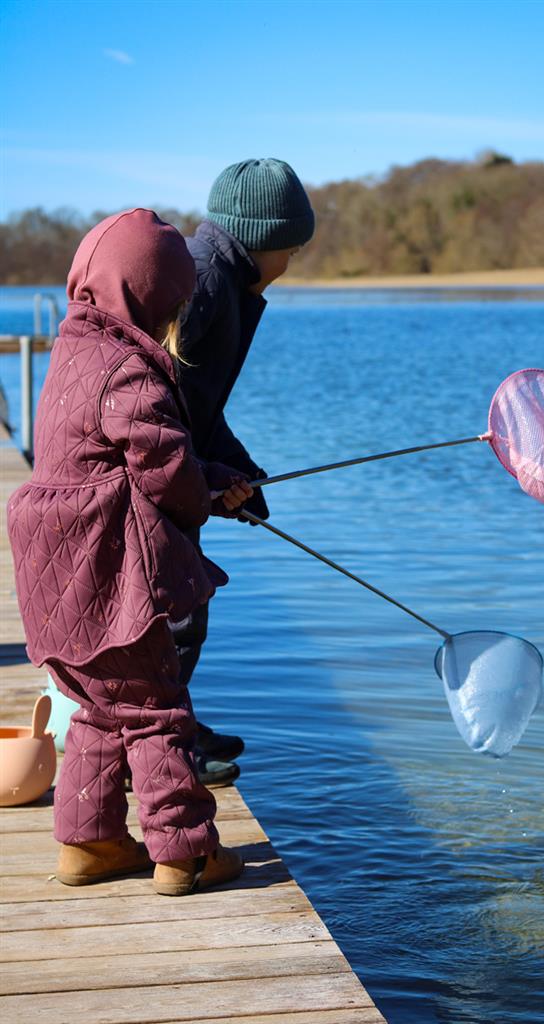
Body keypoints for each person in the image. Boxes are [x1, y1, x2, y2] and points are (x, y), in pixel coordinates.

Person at [7, 209, 254, 896]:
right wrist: (207, 493)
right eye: (171, 303)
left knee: (99, 707)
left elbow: (120, 457)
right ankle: (185, 852)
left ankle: (90, 844)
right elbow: (164, 470)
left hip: (52, 574)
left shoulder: (72, 350)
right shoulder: (129, 370)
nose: (174, 317)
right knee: (155, 709)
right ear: (148, 295)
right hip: (107, 577)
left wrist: (212, 479)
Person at [174, 159, 315, 773]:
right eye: (292, 248)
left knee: (185, 607)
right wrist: (204, 481)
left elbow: (199, 407)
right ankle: (160, 747)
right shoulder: (202, 281)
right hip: (145, 478)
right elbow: (154, 405)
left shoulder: (222, 279)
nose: (292, 263)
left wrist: (239, 472)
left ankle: (170, 724)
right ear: (262, 239)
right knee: (174, 610)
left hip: (172, 471)